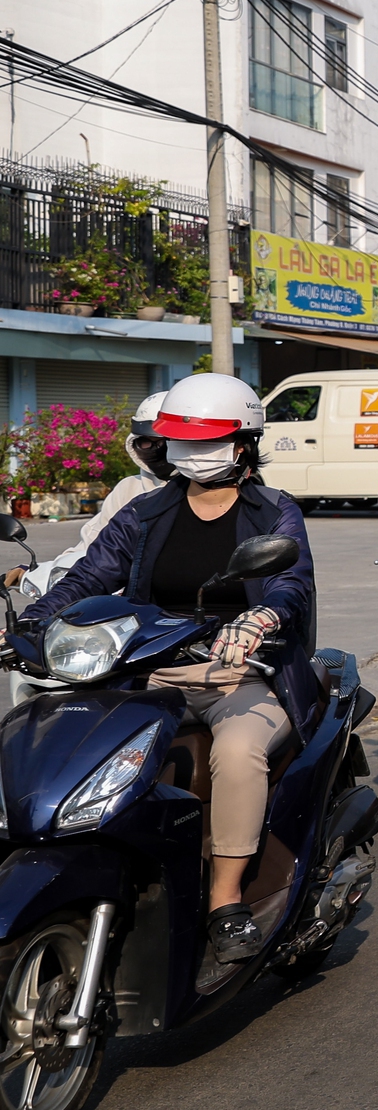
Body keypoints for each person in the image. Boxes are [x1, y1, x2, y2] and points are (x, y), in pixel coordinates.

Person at [15, 374, 314, 964]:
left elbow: (290, 584)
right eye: (181, 440)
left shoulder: (275, 513)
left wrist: (261, 620)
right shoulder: (146, 512)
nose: (192, 453)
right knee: (68, 736)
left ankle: (225, 902)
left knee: (239, 751)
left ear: (244, 443)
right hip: (146, 668)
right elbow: (87, 578)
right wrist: (30, 623)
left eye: (207, 441)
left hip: (243, 672)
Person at [5, 391, 171, 592]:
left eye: (165, 441)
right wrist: (37, 572)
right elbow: (90, 548)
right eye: (147, 441)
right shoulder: (129, 489)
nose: (156, 449)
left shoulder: (204, 492)